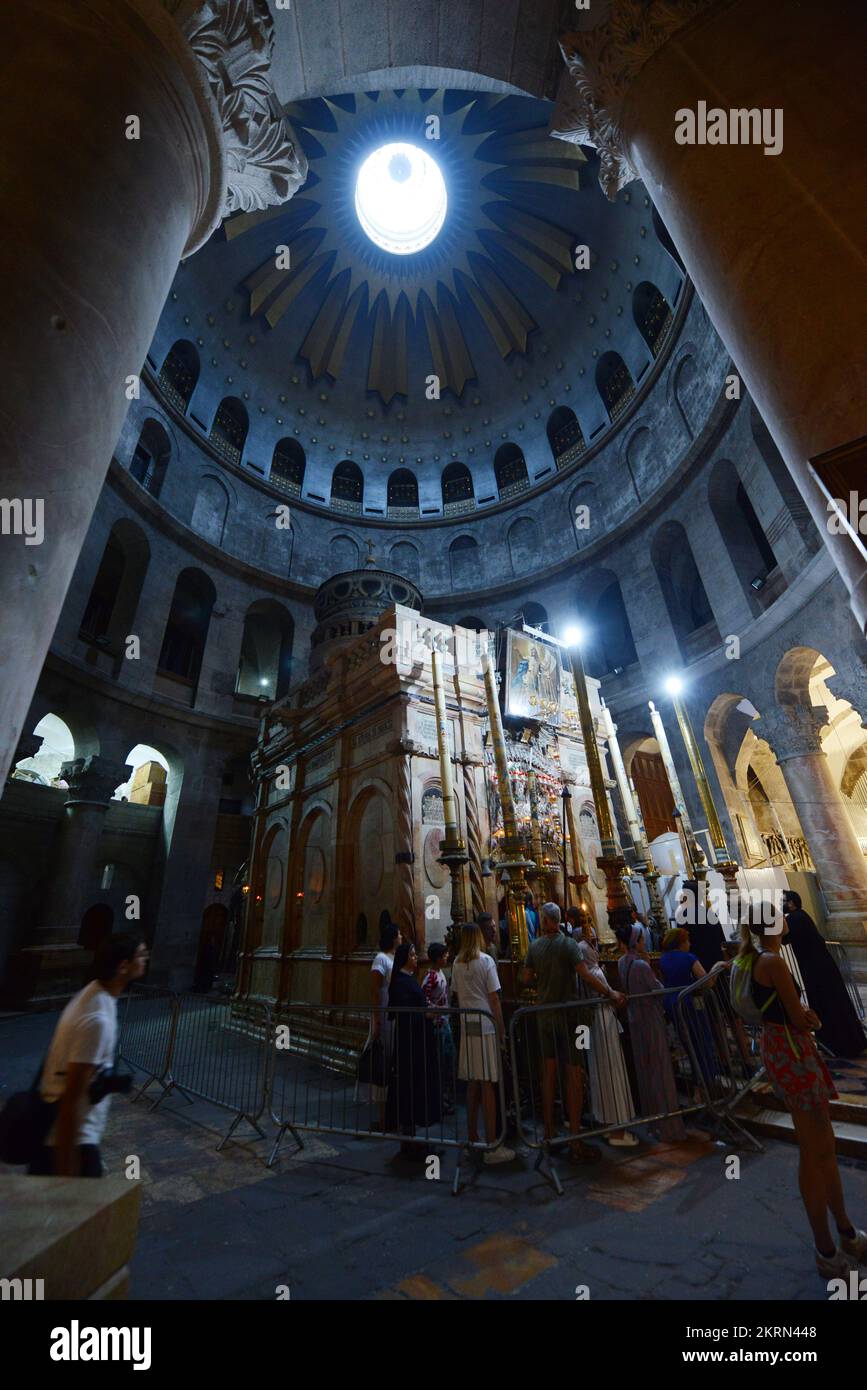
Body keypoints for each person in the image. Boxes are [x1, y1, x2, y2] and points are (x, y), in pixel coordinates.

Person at [737, 904, 866, 1278]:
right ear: (775, 923)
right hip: (792, 1052)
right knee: (814, 1151)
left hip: (781, 1051)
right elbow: (800, 1018)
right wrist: (810, 1017)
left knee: (822, 1145)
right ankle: (826, 1249)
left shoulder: (751, 958)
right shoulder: (772, 963)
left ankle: (846, 1232)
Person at [28, 934, 149, 1177]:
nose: (146, 959)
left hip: (68, 1138)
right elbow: (71, 1096)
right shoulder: (97, 1020)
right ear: (123, 966)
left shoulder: (94, 995)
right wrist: (67, 1168)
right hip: (71, 1142)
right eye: (141, 955)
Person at [523, 902, 625, 1162]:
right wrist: (610, 992)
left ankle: (548, 1132)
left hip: (545, 1016)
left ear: (544, 921)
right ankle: (576, 1138)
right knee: (574, 1074)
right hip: (570, 1017)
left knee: (548, 1074)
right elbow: (586, 975)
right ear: (558, 921)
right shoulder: (568, 944)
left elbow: (524, 978)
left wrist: (540, 978)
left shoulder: (534, 946)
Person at [615, 923, 688, 1143]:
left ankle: (653, 1122)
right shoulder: (640, 966)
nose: (644, 942)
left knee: (645, 1068)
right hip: (650, 1019)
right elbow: (657, 990)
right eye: (641, 939)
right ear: (635, 942)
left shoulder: (621, 962)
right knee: (660, 1068)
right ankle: (669, 1124)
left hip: (634, 1020)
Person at [450, 923, 515, 1164]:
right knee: (488, 1083)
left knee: (473, 1084)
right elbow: (494, 999)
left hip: (468, 1026)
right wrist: (501, 1029)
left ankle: (472, 1139)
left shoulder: (456, 963)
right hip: (486, 1025)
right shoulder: (486, 961)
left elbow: (456, 995)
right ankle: (492, 1145)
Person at [575, 915, 637, 1146]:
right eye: (592, 945)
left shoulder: (585, 972)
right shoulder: (596, 974)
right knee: (612, 1071)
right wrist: (615, 996)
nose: (595, 946)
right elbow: (611, 996)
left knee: (599, 1071)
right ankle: (617, 1131)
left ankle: (604, 1121)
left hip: (592, 1025)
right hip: (603, 1024)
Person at [783, 891, 866, 1058]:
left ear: (791, 903)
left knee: (826, 1004)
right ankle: (851, 1040)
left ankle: (837, 1043)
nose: (782, 904)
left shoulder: (794, 918)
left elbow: (783, 939)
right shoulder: (801, 916)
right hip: (822, 966)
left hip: (815, 970)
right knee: (836, 1002)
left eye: (783, 901)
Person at [386, 942, 442, 1156]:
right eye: (412, 954)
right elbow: (404, 1011)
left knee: (414, 1087)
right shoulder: (401, 982)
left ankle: (411, 1137)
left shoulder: (406, 979)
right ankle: (408, 1139)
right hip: (410, 1043)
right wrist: (426, 1014)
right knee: (409, 1087)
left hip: (417, 1041)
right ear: (404, 958)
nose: (416, 957)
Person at [366, 921, 401, 1126]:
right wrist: (377, 1019)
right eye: (399, 934)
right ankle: (382, 1116)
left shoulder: (395, 958)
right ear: (392, 938)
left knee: (392, 1062)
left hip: (394, 1017)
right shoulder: (380, 958)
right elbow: (375, 990)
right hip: (383, 1018)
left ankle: (393, 1111)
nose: (402, 937)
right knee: (382, 1064)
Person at [422, 942, 455, 1113]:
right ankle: (439, 1100)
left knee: (448, 1060)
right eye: (444, 955)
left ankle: (446, 1098)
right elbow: (424, 999)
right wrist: (437, 1011)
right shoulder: (431, 977)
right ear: (437, 958)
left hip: (445, 1022)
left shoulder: (441, 973)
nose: (447, 957)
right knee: (440, 1063)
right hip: (438, 1024)